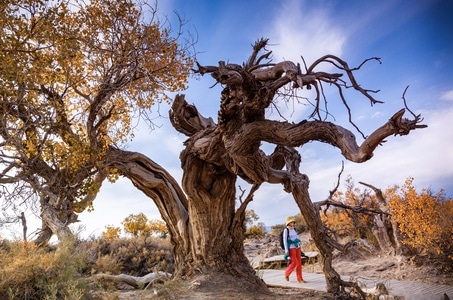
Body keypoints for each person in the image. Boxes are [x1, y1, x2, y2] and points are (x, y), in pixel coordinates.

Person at [283, 216, 306, 283]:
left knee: (299, 263)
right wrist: (286, 250)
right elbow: (285, 240)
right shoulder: (286, 230)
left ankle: (300, 278)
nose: (292, 223)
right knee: (294, 262)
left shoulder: (294, 229)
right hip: (291, 248)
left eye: (293, 222)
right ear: (288, 223)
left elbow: (297, 238)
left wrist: (300, 247)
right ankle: (287, 273)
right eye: (291, 222)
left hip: (297, 247)